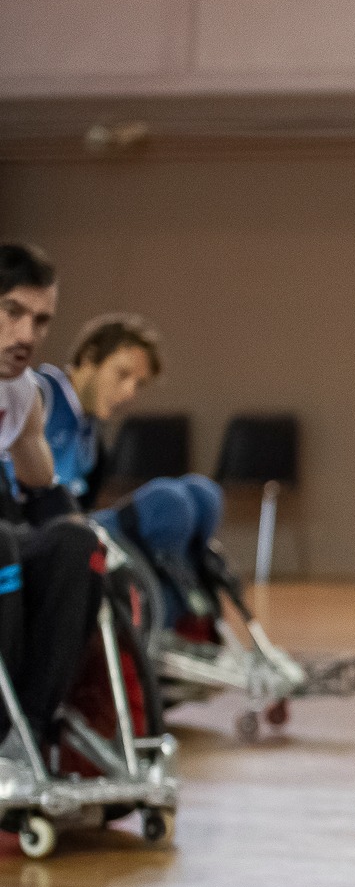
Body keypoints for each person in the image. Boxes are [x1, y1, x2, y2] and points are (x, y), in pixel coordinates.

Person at [33, 313, 224, 622]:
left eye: (138, 384)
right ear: (89, 357)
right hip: (42, 531)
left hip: (77, 527)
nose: (129, 393)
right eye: (122, 375)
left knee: (203, 494)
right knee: (169, 502)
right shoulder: (40, 393)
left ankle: (192, 616)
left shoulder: (91, 431)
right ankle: (168, 622)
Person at [0, 243, 102, 749]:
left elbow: (44, 489)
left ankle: (29, 735)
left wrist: (98, 547)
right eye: (12, 312)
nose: (27, 336)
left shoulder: (21, 393)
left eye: (41, 321)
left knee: (78, 550)